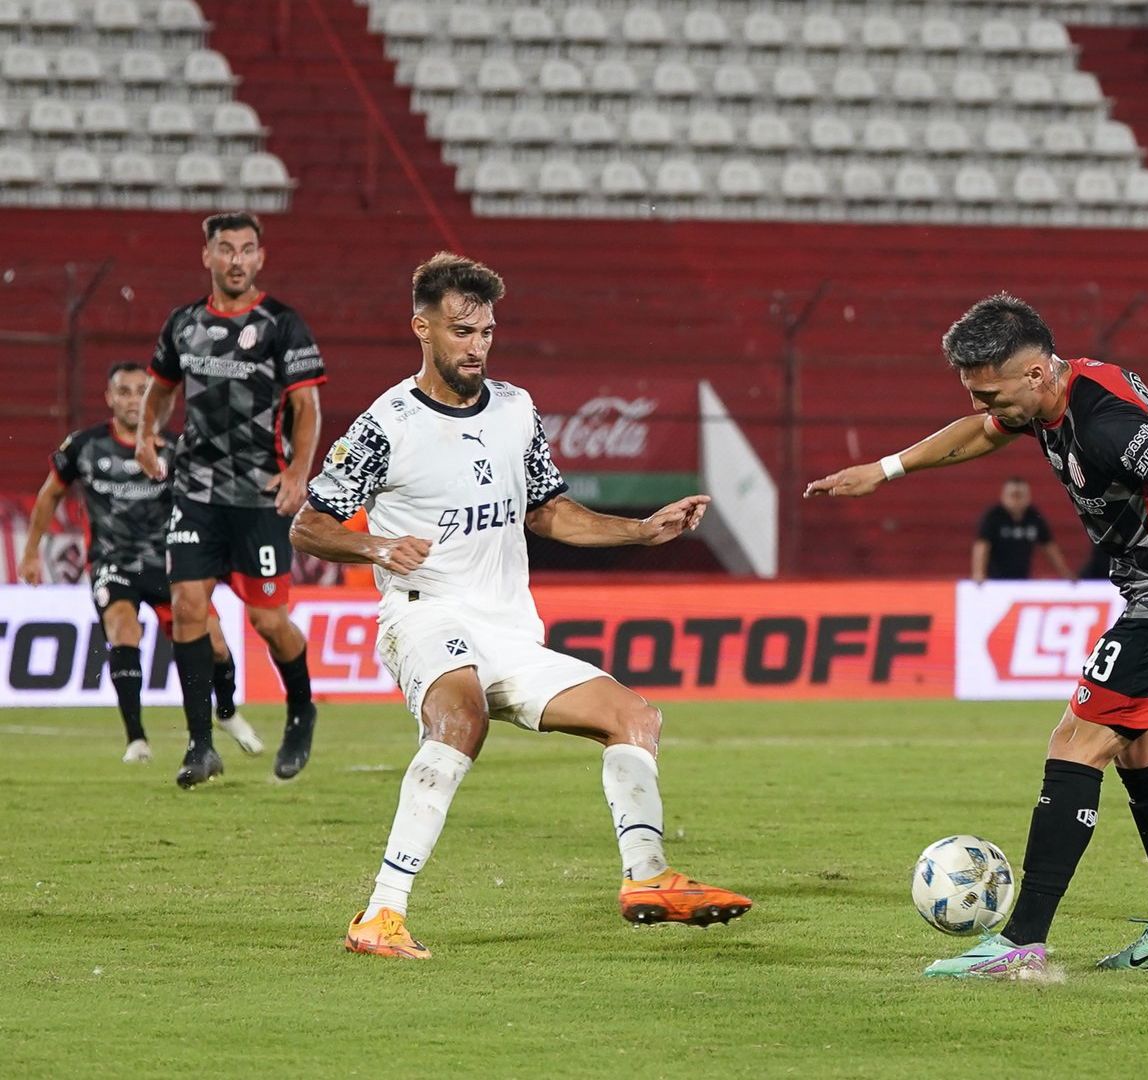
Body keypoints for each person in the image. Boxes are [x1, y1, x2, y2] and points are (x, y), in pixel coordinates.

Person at [805, 293, 1148, 979]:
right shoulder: (1047, 396)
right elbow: (982, 432)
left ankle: (1022, 940)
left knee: (1076, 741)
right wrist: (887, 469)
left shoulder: (1108, 423)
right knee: (1139, 752)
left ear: (1036, 374)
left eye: (991, 392)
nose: (987, 406)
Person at [292, 253, 752, 960]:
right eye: (460, 330)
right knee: (461, 718)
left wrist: (639, 530)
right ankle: (380, 915)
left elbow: (550, 514)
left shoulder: (515, 409)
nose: (476, 345)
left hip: (508, 629)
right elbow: (310, 525)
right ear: (423, 328)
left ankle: (647, 877)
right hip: (425, 615)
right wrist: (380, 547)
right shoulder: (387, 424)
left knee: (634, 716)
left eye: (487, 331)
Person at [138, 212, 325, 788]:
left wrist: (297, 471)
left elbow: (307, 408)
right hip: (194, 489)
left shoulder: (281, 324)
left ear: (260, 258)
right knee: (189, 607)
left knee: (269, 620)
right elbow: (159, 390)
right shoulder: (184, 323)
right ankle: (199, 745)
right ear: (208, 257)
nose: (237, 259)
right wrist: (148, 435)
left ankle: (302, 708)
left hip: (258, 495)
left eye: (247, 249)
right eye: (226, 249)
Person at [19, 362, 254, 763]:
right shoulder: (84, 446)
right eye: (124, 392)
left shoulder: (176, 448)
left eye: (140, 391)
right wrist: (30, 552)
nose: (132, 399)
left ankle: (227, 712)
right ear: (110, 398)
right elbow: (49, 495)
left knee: (215, 644)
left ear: (153, 398)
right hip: (112, 563)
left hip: (170, 564)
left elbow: (209, 504)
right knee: (123, 630)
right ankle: (137, 740)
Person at [972, 476, 1072, 581]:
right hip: (995, 580)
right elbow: (982, 546)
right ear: (1003, 496)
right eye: (1013, 495)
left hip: (1022, 578)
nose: (1016, 500)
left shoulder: (1033, 517)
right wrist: (978, 573)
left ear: (1028, 497)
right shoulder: (994, 517)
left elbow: (1049, 547)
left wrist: (1064, 572)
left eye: (1020, 496)